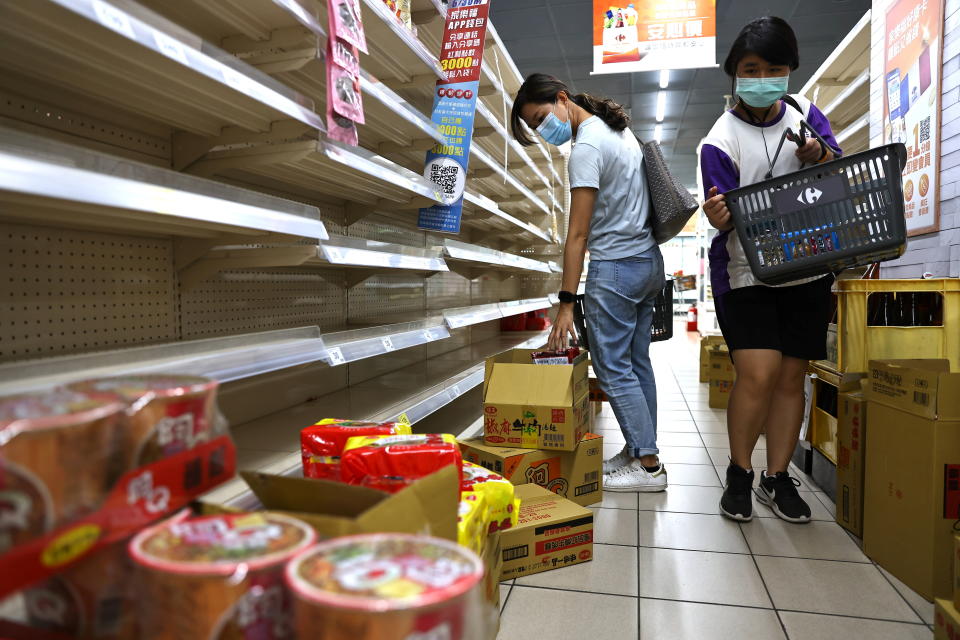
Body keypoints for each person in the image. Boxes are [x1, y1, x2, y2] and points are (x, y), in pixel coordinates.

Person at [699, 16, 841, 523]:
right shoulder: (719, 139)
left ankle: (777, 477)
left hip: (808, 265)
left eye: (774, 68)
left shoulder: (805, 113)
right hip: (747, 272)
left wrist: (818, 151)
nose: (762, 77)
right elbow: (722, 208)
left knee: (790, 376)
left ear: (789, 71)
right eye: (751, 68)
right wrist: (719, 215)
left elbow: (839, 169)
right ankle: (740, 471)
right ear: (735, 74)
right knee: (757, 374)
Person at [510, 74, 666, 493]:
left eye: (543, 118)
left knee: (613, 370)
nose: (545, 131)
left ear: (563, 98)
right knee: (636, 363)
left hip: (615, 268)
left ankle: (648, 465)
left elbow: (577, 234)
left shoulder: (586, 147)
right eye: (536, 127)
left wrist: (565, 303)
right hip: (648, 262)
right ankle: (639, 450)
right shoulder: (618, 132)